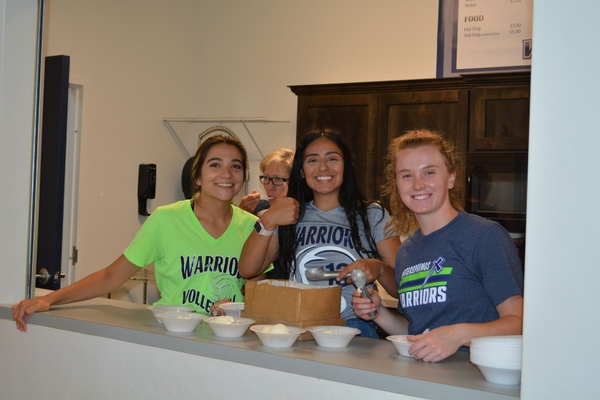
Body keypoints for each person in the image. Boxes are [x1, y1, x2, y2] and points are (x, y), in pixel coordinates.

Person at [13, 135, 262, 332]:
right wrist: (51, 299)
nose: (226, 174)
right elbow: (111, 276)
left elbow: (262, 289)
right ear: (197, 176)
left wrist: (238, 306)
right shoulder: (166, 219)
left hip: (228, 340)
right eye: (215, 164)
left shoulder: (253, 227)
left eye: (236, 166)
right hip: (172, 336)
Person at [352, 129, 524, 361]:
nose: (418, 184)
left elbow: (520, 324)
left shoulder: (485, 237)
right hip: (427, 378)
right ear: (397, 184)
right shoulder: (406, 252)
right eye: (407, 175)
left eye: (429, 172)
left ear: (451, 177)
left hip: (478, 377)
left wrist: (460, 335)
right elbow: (417, 333)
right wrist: (378, 313)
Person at [239, 129, 400, 338]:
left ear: (346, 166)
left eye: (332, 158)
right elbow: (247, 269)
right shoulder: (290, 215)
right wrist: (268, 219)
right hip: (299, 324)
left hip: (355, 325)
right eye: (312, 160)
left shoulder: (372, 215)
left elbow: (404, 289)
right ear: (302, 170)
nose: (323, 167)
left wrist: (378, 269)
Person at [237, 147, 294, 279]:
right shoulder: (259, 209)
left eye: (278, 179)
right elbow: (247, 269)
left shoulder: (306, 215)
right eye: (266, 178)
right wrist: (241, 214)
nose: (269, 186)